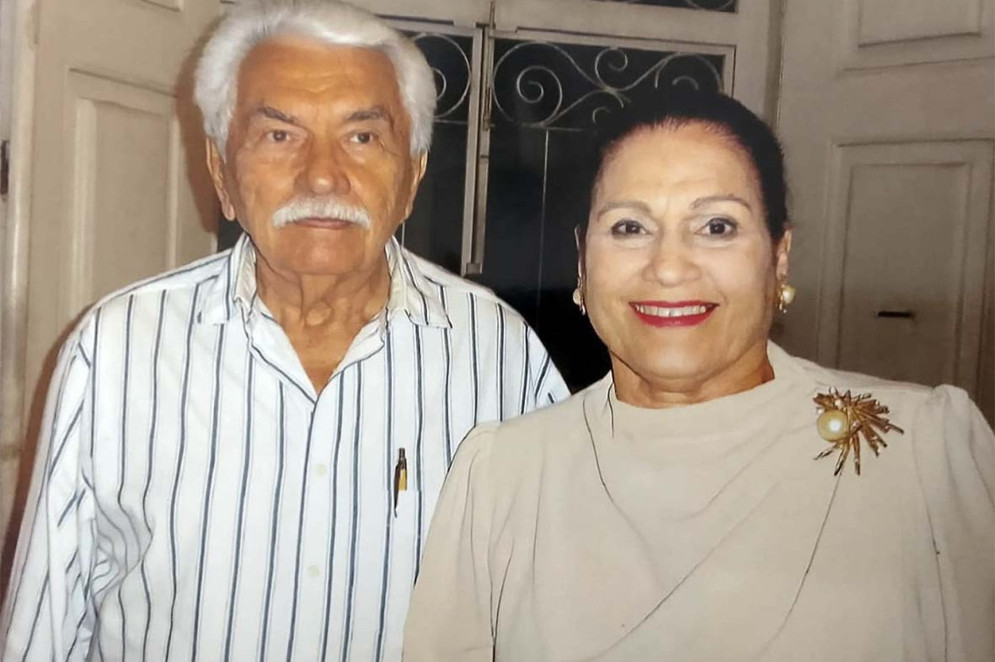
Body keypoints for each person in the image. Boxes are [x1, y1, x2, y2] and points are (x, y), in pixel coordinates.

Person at [0, 2, 568, 660]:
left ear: (410, 177)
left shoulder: (497, 352)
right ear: (220, 172)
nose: (322, 175)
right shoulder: (118, 350)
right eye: (279, 135)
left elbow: (546, 610)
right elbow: (43, 628)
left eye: (361, 137)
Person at [404, 92, 995, 661]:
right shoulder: (503, 475)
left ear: (779, 255)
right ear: (582, 260)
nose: (668, 268)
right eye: (630, 228)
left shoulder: (923, 453)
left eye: (716, 226)